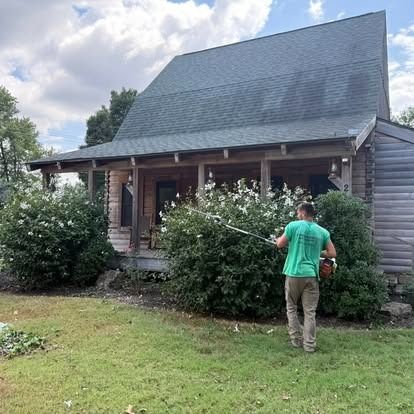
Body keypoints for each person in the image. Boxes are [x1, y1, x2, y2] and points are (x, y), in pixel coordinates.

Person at [275, 202, 336, 353]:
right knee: (310, 312)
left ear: (302, 212)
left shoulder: (293, 226)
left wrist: (276, 240)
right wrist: (318, 252)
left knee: (291, 307)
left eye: (298, 212)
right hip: (311, 275)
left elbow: (280, 244)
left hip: (294, 273)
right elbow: (332, 253)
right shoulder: (322, 231)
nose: (297, 215)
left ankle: (296, 341)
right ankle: (309, 346)